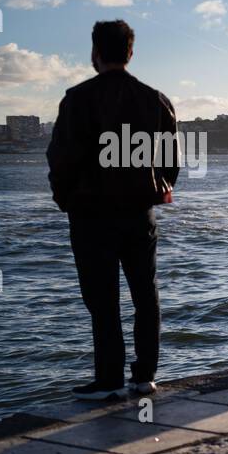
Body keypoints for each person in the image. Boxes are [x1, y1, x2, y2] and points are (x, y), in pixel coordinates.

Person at [46, 20, 180, 399]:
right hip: (139, 213)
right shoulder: (156, 100)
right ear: (130, 52)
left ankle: (109, 379)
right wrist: (153, 191)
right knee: (145, 293)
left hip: (91, 214)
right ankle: (145, 376)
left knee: (102, 299)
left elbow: (62, 158)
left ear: (95, 52)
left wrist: (66, 199)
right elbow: (170, 163)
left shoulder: (78, 99)